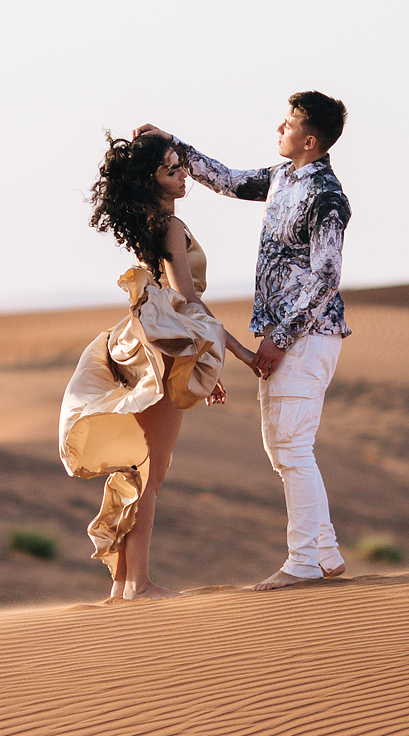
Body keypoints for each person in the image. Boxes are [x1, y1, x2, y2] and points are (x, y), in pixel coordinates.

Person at [132, 91, 351, 591]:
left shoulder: (328, 198)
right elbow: (227, 181)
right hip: (285, 335)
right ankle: (324, 552)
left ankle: (304, 561)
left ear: (310, 139)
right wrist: (173, 143)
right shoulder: (282, 179)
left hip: (307, 335)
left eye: (290, 123)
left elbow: (327, 277)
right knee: (284, 446)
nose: (280, 127)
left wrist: (281, 338)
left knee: (291, 446)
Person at [58, 133, 262, 602]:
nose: (183, 174)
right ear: (152, 181)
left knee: (135, 466)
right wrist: (235, 354)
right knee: (151, 469)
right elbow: (189, 303)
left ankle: (121, 585)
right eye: (172, 169)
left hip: (139, 339)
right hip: (165, 347)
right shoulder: (170, 227)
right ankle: (141, 583)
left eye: (179, 166)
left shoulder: (151, 223)